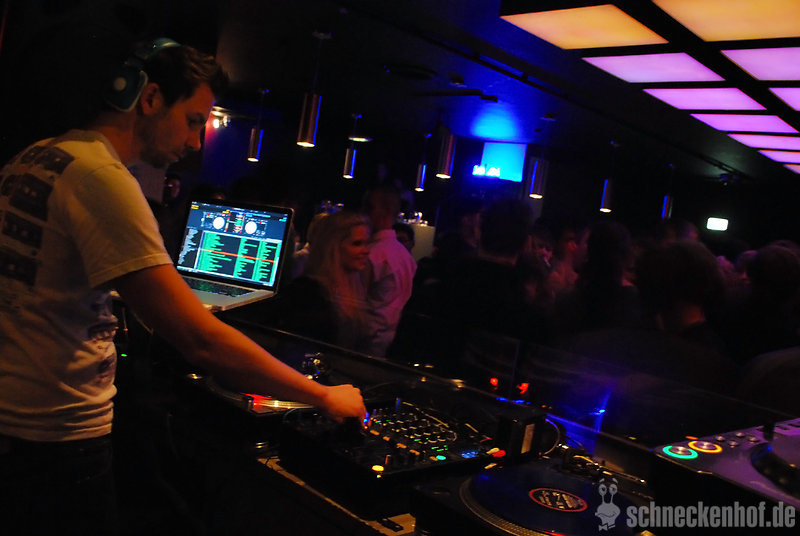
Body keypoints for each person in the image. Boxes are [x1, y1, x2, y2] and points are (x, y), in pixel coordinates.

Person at [0, 38, 365, 535]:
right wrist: (322, 396)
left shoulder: (38, 155)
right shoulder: (100, 177)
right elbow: (200, 340)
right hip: (54, 439)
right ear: (150, 98)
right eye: (194, 120)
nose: (196, 142)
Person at [250, 210, 371, 350]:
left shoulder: (355, 287)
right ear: (334, 247)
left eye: (367, 243)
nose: (366, 250)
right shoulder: (307, 292)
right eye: (357, 243)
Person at [361, 184, 417, 356]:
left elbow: (356, 303)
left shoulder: (372, 254)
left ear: (386, 211)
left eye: (369, 207)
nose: (363, 212)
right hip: (390, 343)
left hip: (365, 344)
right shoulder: (405, 256)